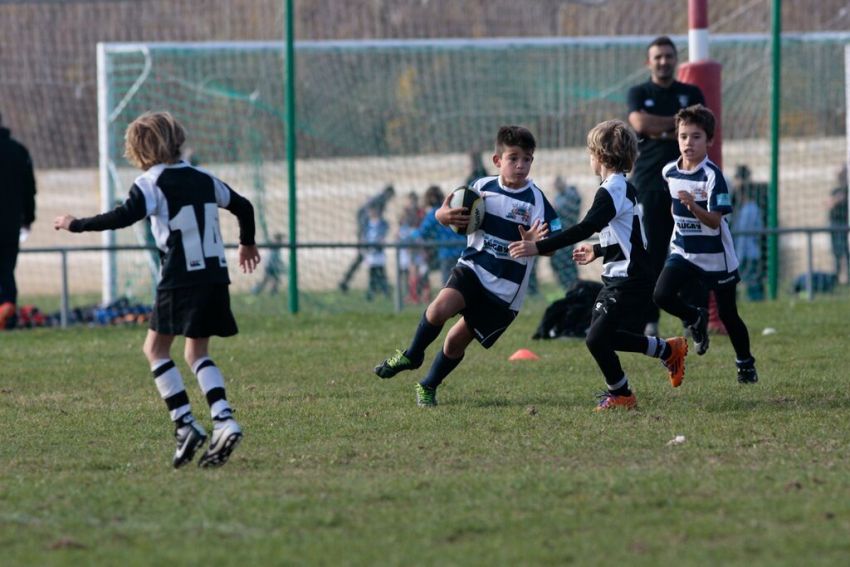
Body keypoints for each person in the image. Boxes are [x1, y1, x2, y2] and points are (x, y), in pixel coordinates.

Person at [53, 111, 261, 467]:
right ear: (177, 139)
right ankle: (223, 419)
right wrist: (247, 244)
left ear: (138, 149)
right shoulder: (203, 177)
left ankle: (185, 425)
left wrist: (76, 224)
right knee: (196, 354)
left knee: (155, 349)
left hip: (180, 278)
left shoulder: (150, 183)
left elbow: (122, 216)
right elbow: (243, 206)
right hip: (214, 276)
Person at [373, 125, 560, 407]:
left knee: (454, 342)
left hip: (505, 290)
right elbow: (445, 214)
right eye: (514, 158)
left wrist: (537, 245)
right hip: (473, 267)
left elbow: (554, 243)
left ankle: (428, 385)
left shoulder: (537, 201)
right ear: (498, 161)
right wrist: (442, 214)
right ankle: (413, 354)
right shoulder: (481, 188)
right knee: (438, 309)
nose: (521, 165)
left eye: (527, 159)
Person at [510, 120, 688, 411]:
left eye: (591, 153)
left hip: (629, 279)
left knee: (595, 338)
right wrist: (598, 249)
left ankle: (622, 394)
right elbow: (628, 237)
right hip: (625, 275)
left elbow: (585, 226)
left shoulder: (611, 190)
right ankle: (668, 349)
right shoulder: (621, 188)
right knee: (604, 336)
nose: (589, 159)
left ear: (601, 156)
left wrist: (538, 246)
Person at [652, 104, 758, 384]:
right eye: (684, 136)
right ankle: (695, 317)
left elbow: (714, 221)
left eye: (696, 136)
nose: (689, 142)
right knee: (661, 294)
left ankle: (745, 363)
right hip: (684, 251)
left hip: (715, 257)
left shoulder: (713, 177)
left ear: (709, 140)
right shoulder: (669, 172)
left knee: (728, 314)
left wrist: (693, 206)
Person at [627, 36, 706, 336]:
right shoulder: (639, 92)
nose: (663, 61)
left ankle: (693, 317)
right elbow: (640, 125)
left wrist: (663, 130)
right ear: (649, 62)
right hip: (649, 184)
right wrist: (678, 128)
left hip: (689, 186)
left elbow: (700, 127)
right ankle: (650, 321)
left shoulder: (691, 91)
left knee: (693, 250)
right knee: (651, 253)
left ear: (676, 59)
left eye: (668, 56)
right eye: (657, 56)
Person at [0, 112, 37, 329]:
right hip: (10, 226)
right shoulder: (18, 151)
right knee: (6, 271)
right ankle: (8, 313)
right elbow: (29, 189)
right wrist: (29, 217)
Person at [338, 184, 395, 293]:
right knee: (363, 257)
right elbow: (366, 214)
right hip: (368, 234)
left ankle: (379, 285)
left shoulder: (379, 199)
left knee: (367, 259)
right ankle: (347, 282)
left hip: (369, 233)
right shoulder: (380, 200)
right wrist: (363, 233)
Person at [410, 185, 466, 285]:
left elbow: (422, 232)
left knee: (449, 286)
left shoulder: (435, 213)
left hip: (447, 254)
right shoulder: (450, 209)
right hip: (463, 250)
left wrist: (411, 233)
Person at [731, 166, 765, 301]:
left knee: (752, 281)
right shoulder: (750, 208)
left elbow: (744, 235)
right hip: (750, 251)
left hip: (747, 253)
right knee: (752, 279)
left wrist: (737, 255)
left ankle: (757, 300)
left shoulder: (748, 210)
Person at [550, 175, 581, 291]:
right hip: (558, 234)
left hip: (567, 234)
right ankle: (568, 286)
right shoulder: (559, 196)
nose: (556, 185)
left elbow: (564, 211)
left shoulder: (571, 194)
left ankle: (573, 286)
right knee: (557, 262)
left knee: (567, 263)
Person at [364, 203, 391, 301]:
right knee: (372, 274)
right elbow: (365, 236)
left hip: (379, 253)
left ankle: (386, 292)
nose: (372, 212)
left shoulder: (382, 223)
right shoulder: (366, 224)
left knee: (381, 273)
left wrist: (380, 240)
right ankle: (371, 293)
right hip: (370, 253)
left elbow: (383, 235)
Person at [828, 165, 849, 284]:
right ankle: (836, 277)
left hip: (845, 224)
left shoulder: (847, 190)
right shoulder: (836, 191)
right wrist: (836, 199)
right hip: (835, 224)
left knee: (846, 251)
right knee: (836, 252)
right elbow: (829, 203)